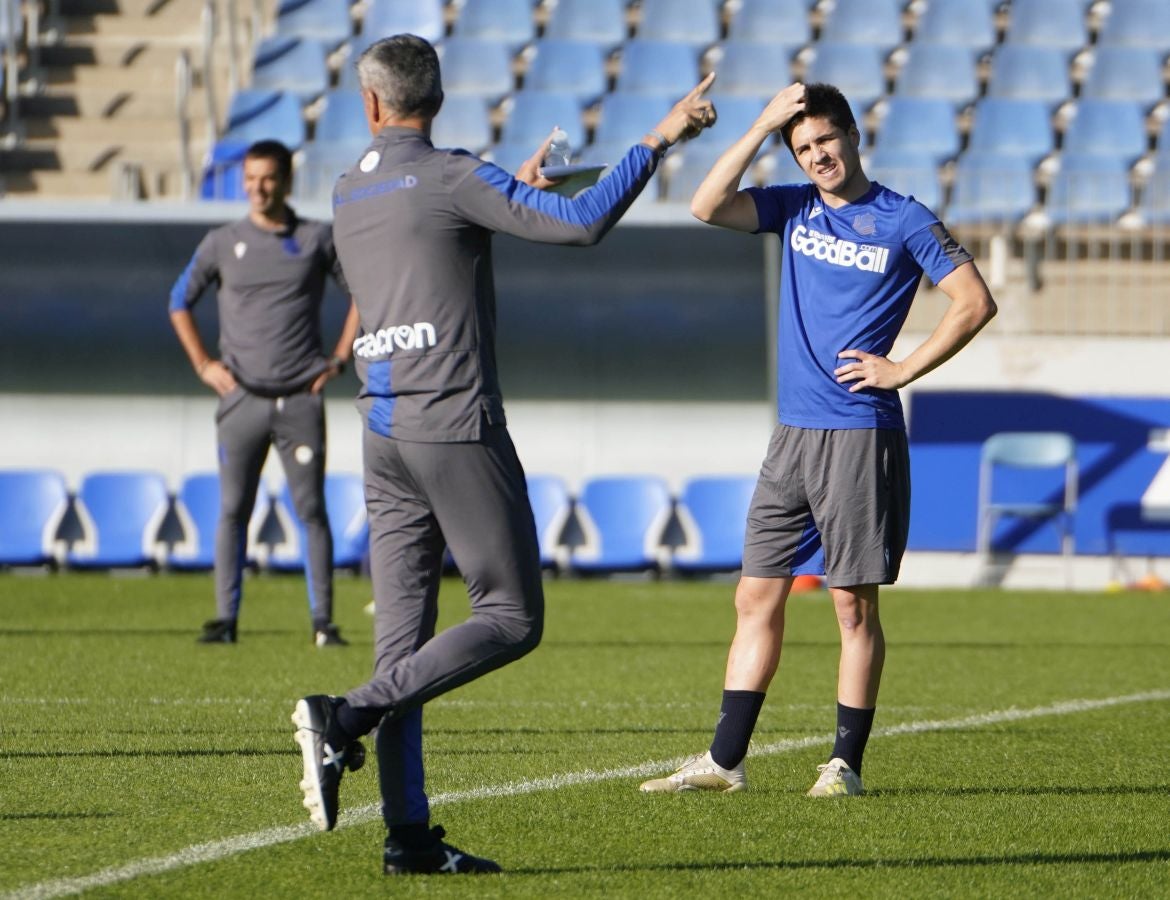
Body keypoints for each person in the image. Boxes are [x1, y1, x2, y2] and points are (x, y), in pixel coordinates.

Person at [290, 34, 716, 875]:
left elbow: (423, 245)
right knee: (512, 617)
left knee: (404, 654)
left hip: (382, 430)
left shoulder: (346, 190)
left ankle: (409, 840)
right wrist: (660, 138)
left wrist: (506, 192)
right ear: (437, 99)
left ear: (370, 105)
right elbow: (582, 224)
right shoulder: (453, 172)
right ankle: (340, 720)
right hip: (454, 425)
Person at [639, 83, 997, 797]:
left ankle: (844, 765)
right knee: (754, 596)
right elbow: (706, 205)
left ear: (854, 136)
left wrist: (902, 368)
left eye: (825, 141)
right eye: (802, 148)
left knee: (851, 605)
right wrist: (763, 123)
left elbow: (975, 301)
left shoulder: (903, 219)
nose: (817, 157)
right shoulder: (792, 206)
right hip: (792, 437)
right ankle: (723, 761)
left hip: (859, 435)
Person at [169, 139, 360, 647]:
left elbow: (362, 294)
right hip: (241, 400)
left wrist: (340, 358)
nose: (257, 188)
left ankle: (323, 622)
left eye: (268, 178)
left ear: (286, 182)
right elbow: (178, 300)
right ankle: (225, 619)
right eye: (250, 178)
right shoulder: (221, 241)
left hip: (300, 397)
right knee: (233, 509)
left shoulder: (317, 238)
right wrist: (204, 365)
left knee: (311, 510)